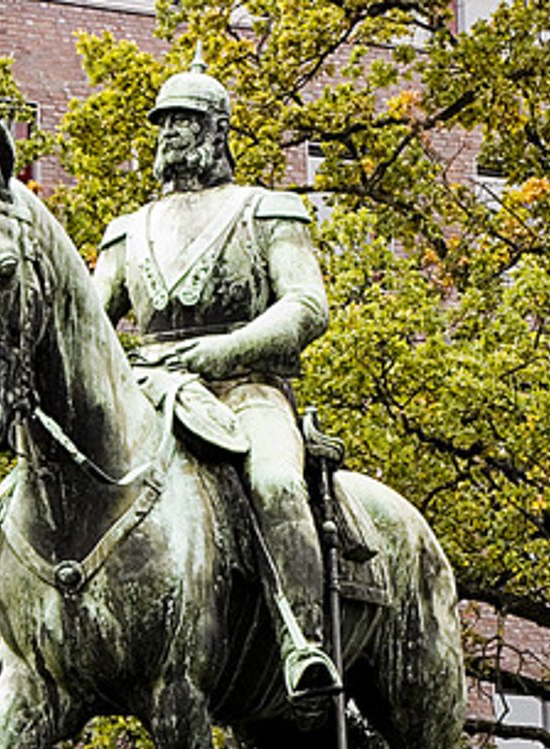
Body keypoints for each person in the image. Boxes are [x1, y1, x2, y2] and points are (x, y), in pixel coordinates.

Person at [92, 51, 340, 703]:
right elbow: (91, 324)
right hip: (148, 393)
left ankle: (302, 640)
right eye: (163, 122)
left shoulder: (267, 210)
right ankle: (16, 662)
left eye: (183, 121)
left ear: (214, 132)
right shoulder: (128, 231)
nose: (169, 133)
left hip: (245, 387)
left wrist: (221, 353)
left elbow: (307, 307)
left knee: (278, 483)